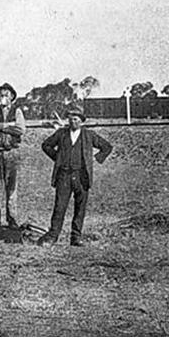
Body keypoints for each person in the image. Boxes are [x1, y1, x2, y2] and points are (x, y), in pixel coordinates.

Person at [37, 105, 113, 247]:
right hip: (64, 176)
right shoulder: (61, 133)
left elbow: (107, 147)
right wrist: (58, 158)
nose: (73, 122)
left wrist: (97, 158)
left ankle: (76, 238)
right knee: (59, 207)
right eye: (71, 119)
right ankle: (52, 237)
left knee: (80, 208)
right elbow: (46, 145)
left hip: (81, 176)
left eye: (76, 119)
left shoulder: (89, 135)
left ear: (82, 121)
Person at [0, 82, 26, 228]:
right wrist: (8, 125)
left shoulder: (17, 111)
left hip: (11, 152)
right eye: (1, 95)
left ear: (12, 97)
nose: (4, 97)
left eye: (6, 95)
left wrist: (0, 127)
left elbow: (20, 129)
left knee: (12, 187)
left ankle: (12, 220)